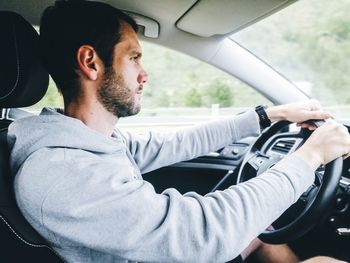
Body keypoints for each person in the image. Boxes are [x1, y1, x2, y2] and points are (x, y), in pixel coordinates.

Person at [7, 1, 350, 262]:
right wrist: (311, 156)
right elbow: (203, 233)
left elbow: (174, 143)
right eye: (134, 57)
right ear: (91, 62)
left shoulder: (85, 142)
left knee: (262, 232)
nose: (144, 74)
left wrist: (266, 116)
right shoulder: (60, 172)